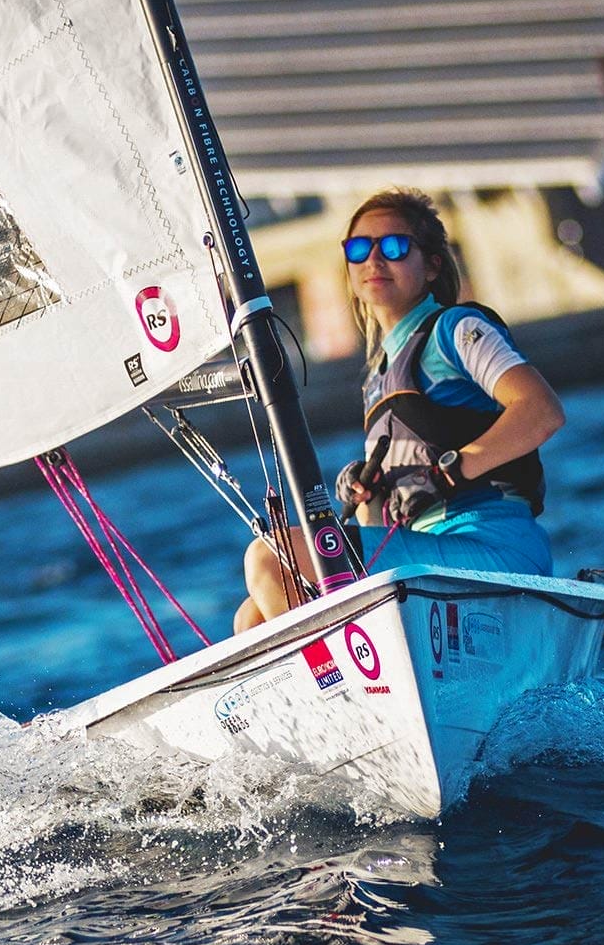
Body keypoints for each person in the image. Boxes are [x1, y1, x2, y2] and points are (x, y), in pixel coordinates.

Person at [234, 188, 566, 633]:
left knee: (270, 556)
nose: (374, 260)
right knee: (251, 616)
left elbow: (542, 410)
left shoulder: (456, 329)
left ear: (431, 265)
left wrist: (450, 472)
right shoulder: (377, 377)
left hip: (492, 548)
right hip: (426, 557)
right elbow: (381, 527)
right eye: (359, 249)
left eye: (393, 247)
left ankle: (337, 676)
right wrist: (371, 497)